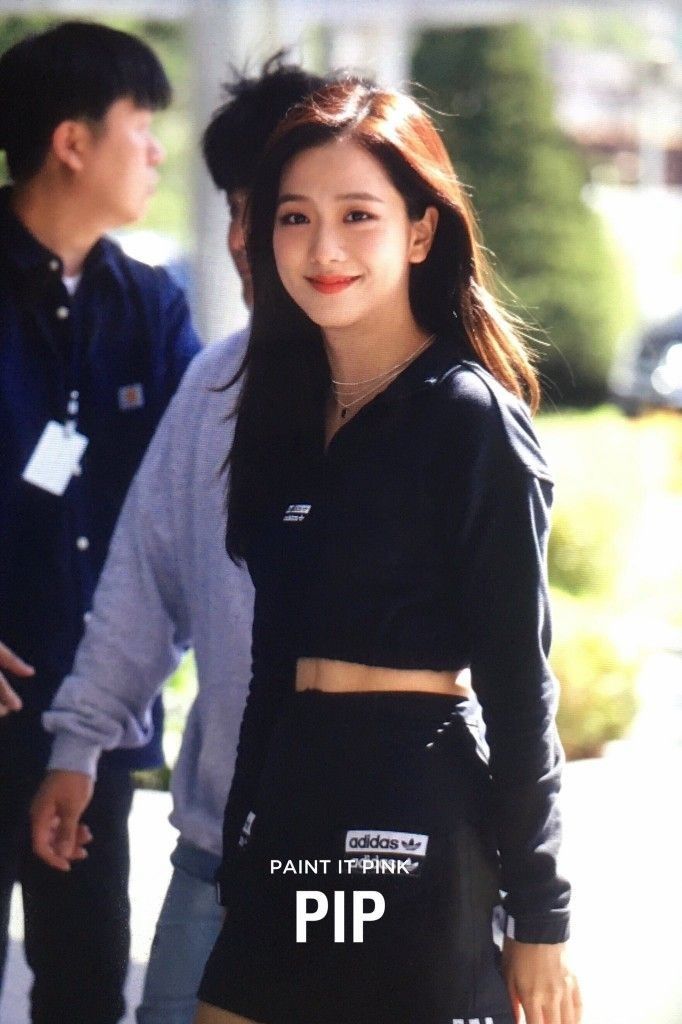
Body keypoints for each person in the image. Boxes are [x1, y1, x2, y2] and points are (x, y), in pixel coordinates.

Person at [196, 80, 582, 1024]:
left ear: (420, 232)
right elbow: (272, 661)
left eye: (357, 215)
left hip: (409, 807)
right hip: (294, 794)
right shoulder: (283, 412)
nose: (322, 248)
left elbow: (520, 685)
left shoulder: (470, 417)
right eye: (295, 217)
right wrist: (244, 845)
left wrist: (542, 916)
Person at [29, 56, 328, 1024]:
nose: (243, 238)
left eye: (273, 209)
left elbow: (504, 658)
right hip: (213, 841)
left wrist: (529, 894)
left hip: (379, 848)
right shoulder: (215, 385)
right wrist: (81, 739)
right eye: (239, 208)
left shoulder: (441, 403)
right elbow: (147, 579)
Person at [0, 21, 200, 1024]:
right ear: (72, 142)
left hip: (91, 719)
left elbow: (201, 477)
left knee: (85, 990)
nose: (158, 151)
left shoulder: (149, 304)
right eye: (142, 125)